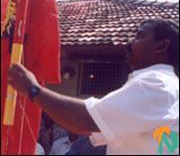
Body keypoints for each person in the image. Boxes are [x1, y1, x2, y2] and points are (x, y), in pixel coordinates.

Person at [8, 19, 179, 155]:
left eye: (139, 36)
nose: (130, 43)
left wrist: (32, 89)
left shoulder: (154, 83)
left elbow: (86, 119)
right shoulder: (168, 86)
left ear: (162, 46)